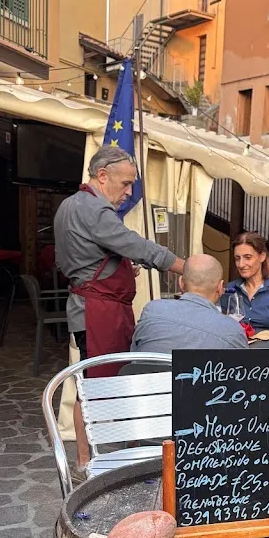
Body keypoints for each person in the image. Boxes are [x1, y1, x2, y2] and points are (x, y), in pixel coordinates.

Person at [55, 144, 185, 475]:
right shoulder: (95, 210)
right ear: (102, 175)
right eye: (125, 184)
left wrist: (120, 269)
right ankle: (93, 459)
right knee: (100, 386)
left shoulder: (69, 206)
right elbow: (134, 245)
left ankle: (93, 457)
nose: (128, 193)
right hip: (99, 313)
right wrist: (183, 266)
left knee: (91, 383)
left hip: (89, 308)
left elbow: (86, 259)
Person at [132, 254, 248, 353]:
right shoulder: (232, 330)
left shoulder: (152, 309)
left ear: (181, 283)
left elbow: (135, 353)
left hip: (147, 378)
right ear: (220, 287)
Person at [222, 232, 269, 333]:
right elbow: (223, 328)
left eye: (247, 257)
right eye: (237, 258)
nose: (241, 264)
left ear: (262, 256)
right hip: (238, 346)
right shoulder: (231, 289)